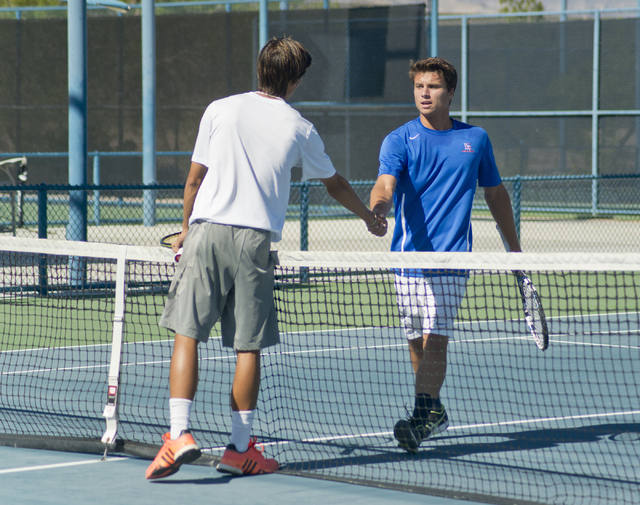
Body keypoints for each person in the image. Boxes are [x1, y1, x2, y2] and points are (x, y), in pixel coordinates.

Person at [145, 37, 387, 480]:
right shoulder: (300, 127)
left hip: (206, 232)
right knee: (247, 346)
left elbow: (194, 182)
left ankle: (179, 434)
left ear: (259, 69)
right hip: (255, 243)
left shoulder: (219, 109)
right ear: (294, 81)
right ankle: (239, 449)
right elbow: (334, 185)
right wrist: (369, 218)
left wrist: (184, 232)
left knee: (186, 334)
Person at [369, 57, 521, 453]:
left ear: (450, 92)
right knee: (416, 340)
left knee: (437, 338)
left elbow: (495, 194)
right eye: (419, 86)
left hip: (453, 260)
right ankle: (433, 409)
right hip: (406, 259)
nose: (424, 93)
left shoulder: (476, 140)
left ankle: (420, 416)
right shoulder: (399, 139)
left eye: (433, 87)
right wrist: (379, 209)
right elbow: (385, 184)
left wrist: (515, 248)